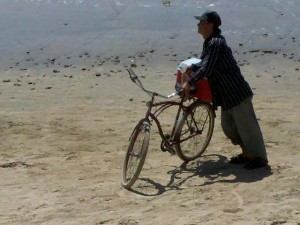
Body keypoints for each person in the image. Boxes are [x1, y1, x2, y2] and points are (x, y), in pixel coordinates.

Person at [182, 11, 268, 169]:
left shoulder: (216, 43)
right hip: (225, 94)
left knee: (247, 127)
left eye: (201, 22)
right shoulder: (209, 43)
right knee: (229, 127)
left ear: (210, 25)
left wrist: (190, 81)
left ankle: (260, 158)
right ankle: (247, 153)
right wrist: (192, 67)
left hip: (236, 92)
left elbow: (208, 67)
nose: (198, 25)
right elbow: (205, 62)